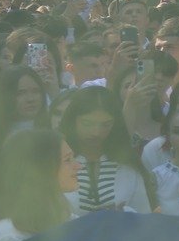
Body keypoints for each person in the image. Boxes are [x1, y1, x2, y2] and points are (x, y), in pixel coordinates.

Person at [63, 86, 152, 217]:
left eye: (105, 124)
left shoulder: (127, 165)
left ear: (115, 124)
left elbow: (143, 217)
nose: (96, 132)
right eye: (87, 123)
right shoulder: (56, 163)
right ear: (72, 121)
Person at [0, 130, 77, 241]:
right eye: (68, 160)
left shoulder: (70, 220)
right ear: (41, 170)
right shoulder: (10, 235)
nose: (78, 166)